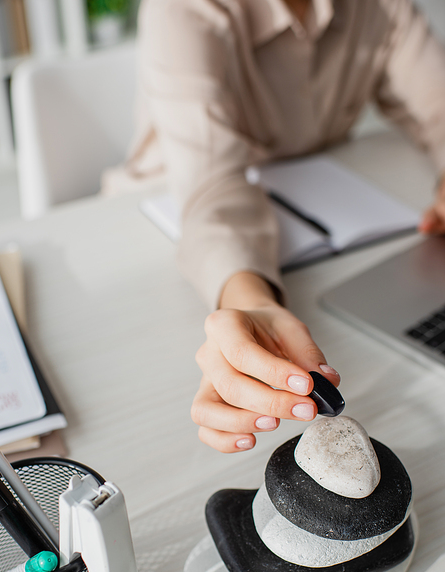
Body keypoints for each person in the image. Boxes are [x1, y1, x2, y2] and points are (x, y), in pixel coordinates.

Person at [103, 0, 445, 452]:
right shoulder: (183, 9)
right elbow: (214, 185)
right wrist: (249, 301)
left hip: (316, 208)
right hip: (168, 216)